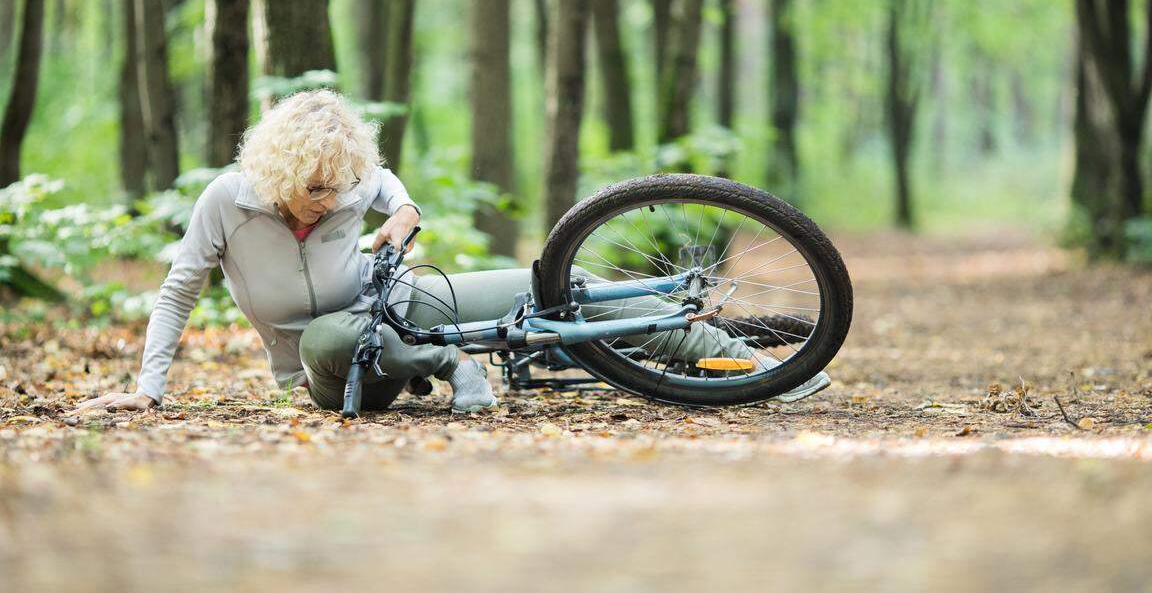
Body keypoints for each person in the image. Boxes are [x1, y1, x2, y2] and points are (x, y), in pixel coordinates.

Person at [73, 89, 827, 416]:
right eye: (312, 188)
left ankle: (754, 362)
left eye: (339, 188)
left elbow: (387, 182)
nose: (327, 200)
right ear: (274, 171)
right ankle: (452, 368)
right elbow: (176, 292)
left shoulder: (345, 181)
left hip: (395, 302)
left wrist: (400, 209)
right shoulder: (225, 203)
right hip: (330, 365)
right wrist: (148, 387)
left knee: (565, 287)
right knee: (334, 333)